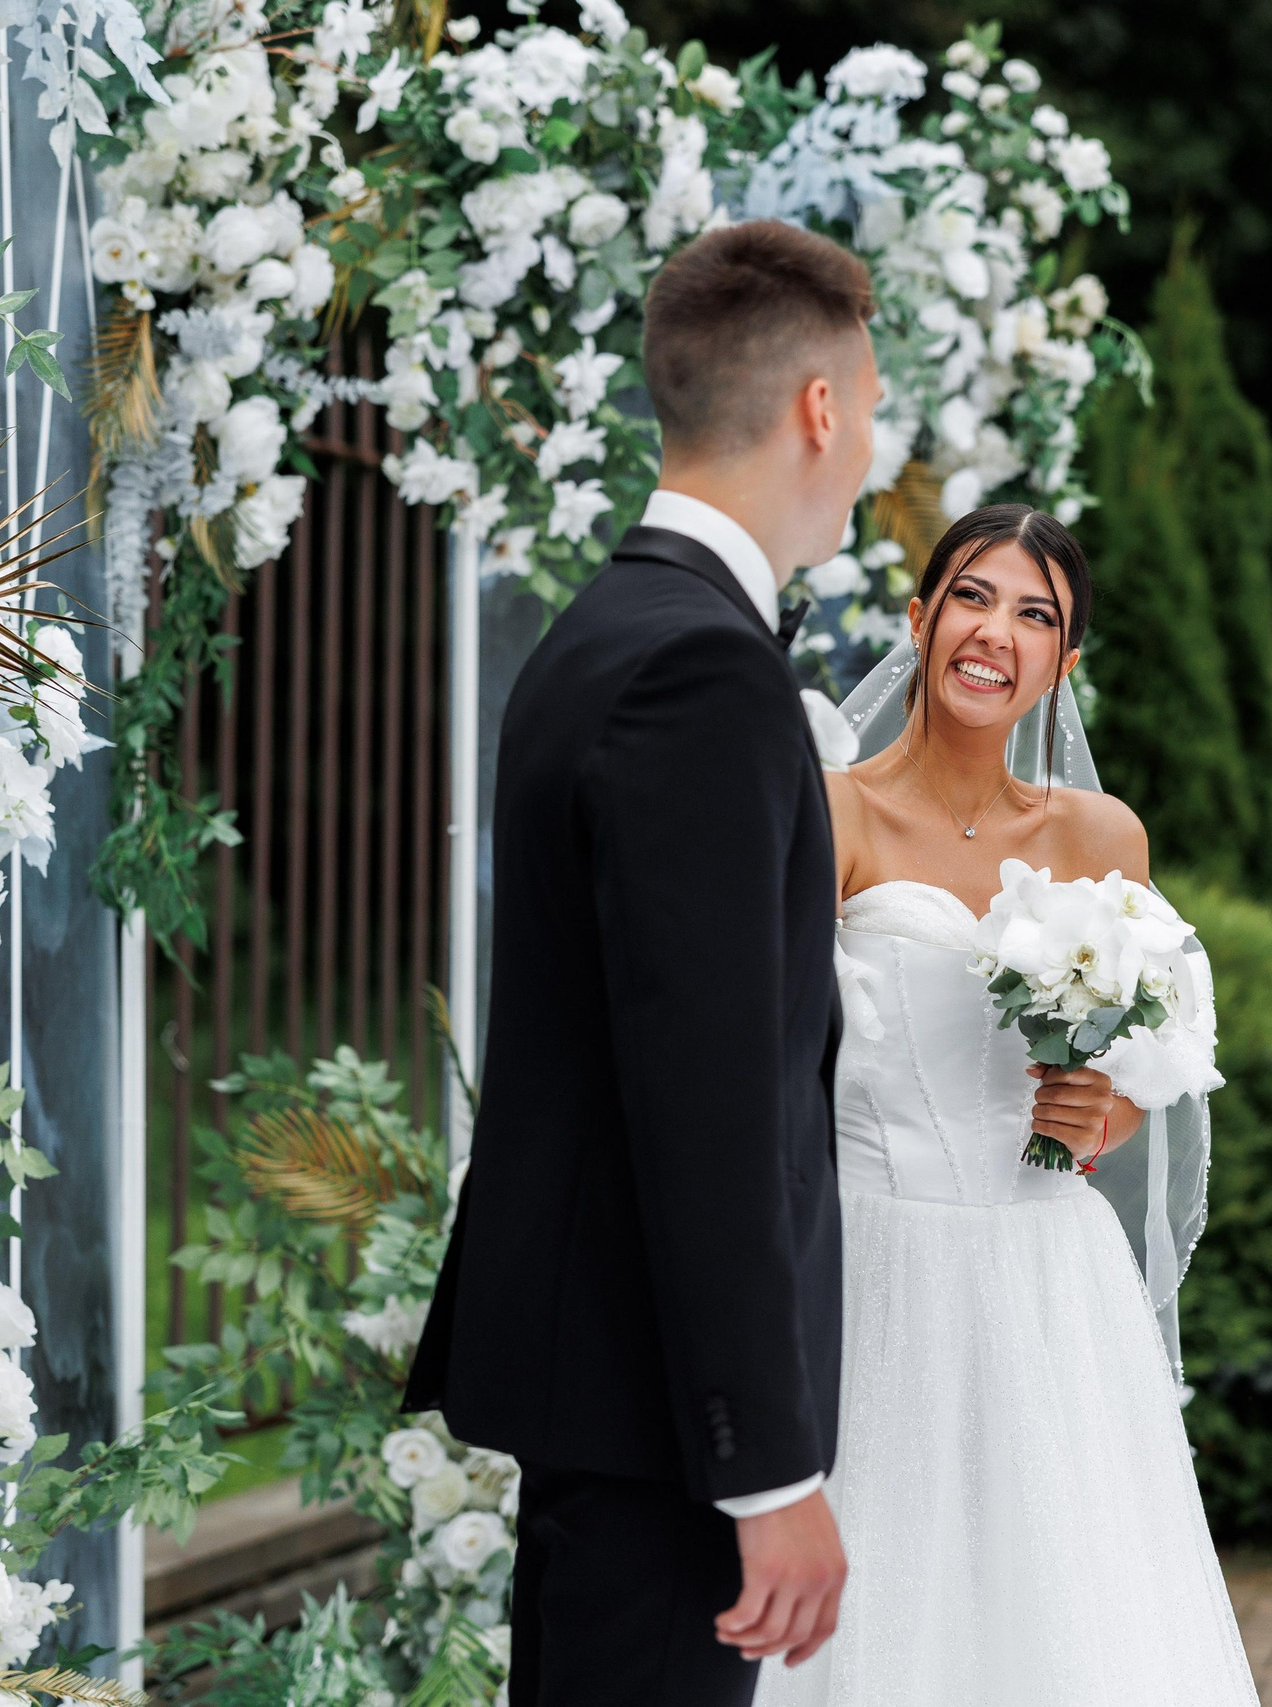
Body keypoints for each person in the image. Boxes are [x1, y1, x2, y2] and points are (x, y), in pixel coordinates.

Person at [402, 220, 883, 1705]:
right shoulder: (702, 670)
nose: (871, 443)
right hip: (667, 1424)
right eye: (871, 405)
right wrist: (765, 1467)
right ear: (817, 408)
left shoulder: (600, 633)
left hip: (606, 1396)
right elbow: (710, 1097)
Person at [756, 505, 1260, 1706]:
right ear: (921, 618)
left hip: (1049, 1279)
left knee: (1070, 1608)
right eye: (974, 597)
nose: (998, 633)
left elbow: (1140, 1069)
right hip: (876, 1264)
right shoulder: (833, 813)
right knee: (889, 1598)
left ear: (1063, 664)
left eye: (1036, 615)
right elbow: (772, 1059)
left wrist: (1100, 1115)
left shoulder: (1100, 833)